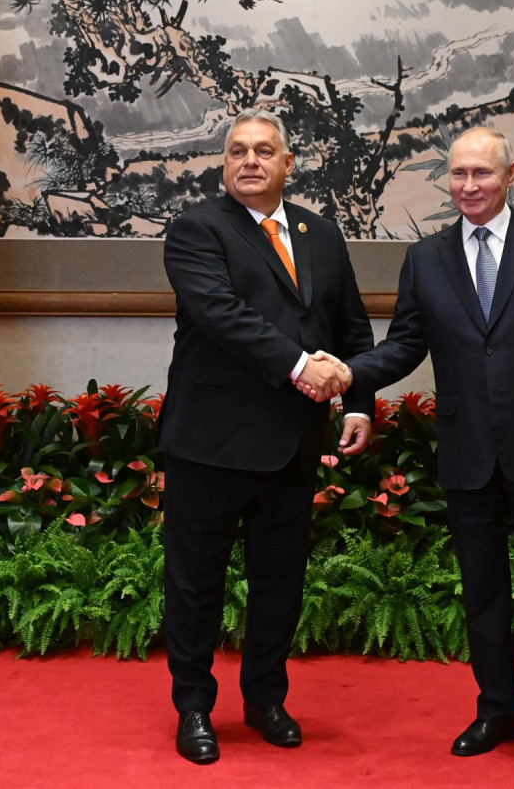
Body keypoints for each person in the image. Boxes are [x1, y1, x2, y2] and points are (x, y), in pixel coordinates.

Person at [300, 126, 514, 782]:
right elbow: (405, 345)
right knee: (483, 594)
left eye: (482, 174)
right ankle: (497, 710)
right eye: (458, 175)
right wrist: (349, 375)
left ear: (511, 174)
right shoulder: (427, 256)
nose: (468, 186)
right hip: (468, 453)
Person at [158, 108, 374, 764]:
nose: (249, 161)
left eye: (263, 151)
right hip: (209, 444)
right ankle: (194, 707)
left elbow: (352, 327)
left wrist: (358, 401)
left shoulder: (321, 233)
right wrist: (301, 365)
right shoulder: (196, 230)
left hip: (292, 444)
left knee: (279, 581)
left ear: (288, 163)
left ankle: (265, 700)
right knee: (196, 584)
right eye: (236, 152)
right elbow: (221, 316)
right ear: (224, 166)